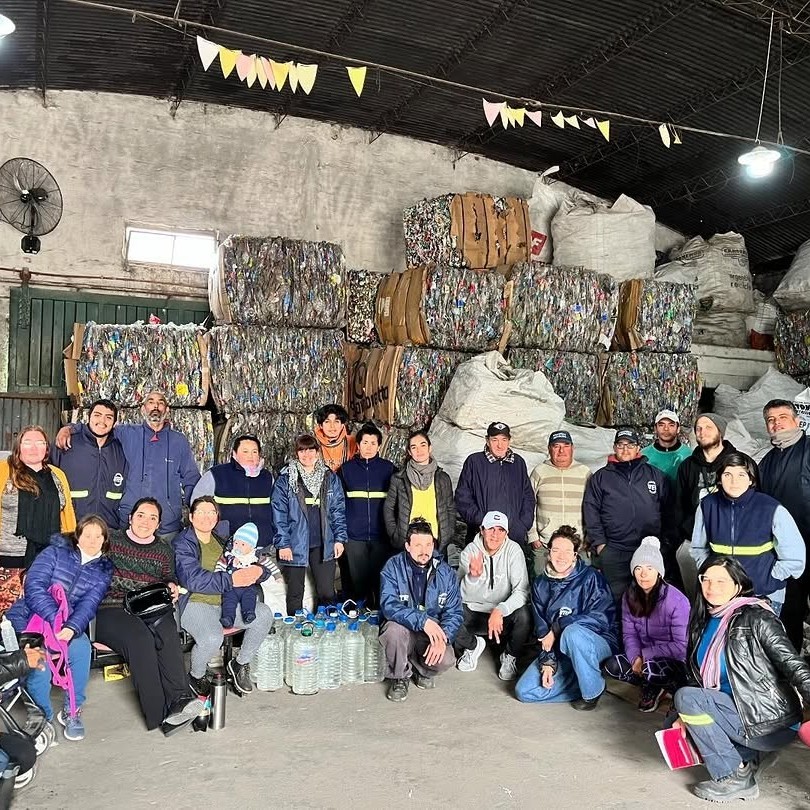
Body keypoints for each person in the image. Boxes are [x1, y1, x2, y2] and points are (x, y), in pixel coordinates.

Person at [671, 556, 810, 802]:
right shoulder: (703, 621)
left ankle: (734, 776)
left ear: (738, 585)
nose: (712, 587)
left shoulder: (756, 617)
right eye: (706, 580)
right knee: (675, 720)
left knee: (687, 700)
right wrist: (684, 715)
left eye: (721, 581)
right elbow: (696, 678)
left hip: (769, 720)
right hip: (736, 712)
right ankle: (750, 755)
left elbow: (794, 665)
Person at [95, 498, 202, 735]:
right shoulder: (111, 540)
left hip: (149, 606)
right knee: (141, 639)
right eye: (141, 515)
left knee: (167, 633)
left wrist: (171, 585)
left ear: (158, 524)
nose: (146, 522)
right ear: (130, 518)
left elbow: (169, 577)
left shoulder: (163, 549)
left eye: (153, 518)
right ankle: (159, 715)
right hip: (112, 607)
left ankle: (180, 700)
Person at [7, 514, 113, 742]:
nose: (92, 541)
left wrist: (72, 627)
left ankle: (72, 710)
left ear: (104, 540)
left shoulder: (103, 569)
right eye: (87, 535)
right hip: (30, 618)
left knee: (82, 650)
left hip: (66, 623)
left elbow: (89, 604)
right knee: (40, 665)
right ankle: (42, 717)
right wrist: (55, 619)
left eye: (98, 536)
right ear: (77, 535)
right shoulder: (55, 552)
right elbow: (34, 586)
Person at [56, 390, 200, 539]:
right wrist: (69, 429)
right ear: (142, 409)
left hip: (167, 525)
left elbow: (191, 477)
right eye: (150, 402)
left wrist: (198, 511)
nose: (155, 406)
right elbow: (100, 427)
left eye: (160, 403)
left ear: (167, 410)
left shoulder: (179, 441)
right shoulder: (127, 433)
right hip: (130, 522)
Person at [173, 496, 273, 696]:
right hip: (195, 602)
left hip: (226, 601)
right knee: (212, 637)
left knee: (264, 615)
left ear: (217, 517)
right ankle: (196, 675)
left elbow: (249, 558)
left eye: (211, 512)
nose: (206, 517)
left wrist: (260, 571)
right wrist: (231, 580)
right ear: (191, 517)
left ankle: (239, 664)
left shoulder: (222, 540)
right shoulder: (183, 543)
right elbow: (192, 580)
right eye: (201, 512)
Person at [515, 525, 618, 709]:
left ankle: (592, 691)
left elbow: (602, 619)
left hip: (597, 643)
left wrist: (559, 626)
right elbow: (542, 630)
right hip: (561, 650)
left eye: (567, 551)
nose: (561, 556)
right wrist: (548, 662)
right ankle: (584, 680)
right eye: (556, 550)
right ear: (548, 553)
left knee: (572, 633)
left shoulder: (591, 578)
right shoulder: (540, 584)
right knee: (524, 691)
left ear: (575, 555)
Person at [690, 452, 805, 614]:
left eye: (741, 475)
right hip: (722, 595)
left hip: (763, 596)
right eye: (727, 474)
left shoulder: (771, 508)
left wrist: (768, 578)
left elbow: (795, 558)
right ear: (719, 478)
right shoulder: (707, 506)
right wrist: (711, 575)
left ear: (751, 479)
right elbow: (698, 548)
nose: (734, 481)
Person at [583, 427, 672, 601]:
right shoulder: (600, 477)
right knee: (615, 598)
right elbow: (591, 510)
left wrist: (665, 542)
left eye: (630, 445)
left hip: (648, 548)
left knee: (649, 598)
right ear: (614, 447)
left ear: (638, 448)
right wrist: (600, 544)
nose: (625, 449)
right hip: (615, 549)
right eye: (621, 445)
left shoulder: (655, 475)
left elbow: (668, 510)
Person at [379, 517, 462, 702]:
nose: (424, 551)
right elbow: (389, 605)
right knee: (393, 632)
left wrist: (444, 637)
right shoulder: (393, 567)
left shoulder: (446, 572)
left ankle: (421, 670)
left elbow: (454, 612)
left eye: (428, 545)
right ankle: (400, 676)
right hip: (404, 628)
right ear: (407, 546)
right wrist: (423, 621)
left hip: (430, 632)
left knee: (446, 658)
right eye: (418, 545)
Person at [603, 537, 689, 712]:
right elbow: (629, 634)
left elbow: (681, 646)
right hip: (642, 657)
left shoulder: (676, 600)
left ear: (659, 571)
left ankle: (674, 689)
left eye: (650, 568)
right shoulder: (629, 596)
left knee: (649, 668)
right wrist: (635, 657)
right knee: (612, 666)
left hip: (673, 660)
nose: (643, 574)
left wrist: (645, 655)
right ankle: (652, 686)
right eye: (638, 568)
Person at [0, 426, 76, 612]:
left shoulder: (58, 475)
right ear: (18, 446)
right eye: (27, 442)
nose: (34, 448)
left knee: (40, 620)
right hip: (8, 561)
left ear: (47, 448)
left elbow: (67, 517)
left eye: (40, 443)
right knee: (6, 620)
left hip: (49, 562)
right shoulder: (3, 471)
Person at [271, 434, 348, 616]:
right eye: (302, 451)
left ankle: (327, 627)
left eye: (310, 450)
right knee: (295, 592)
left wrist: (339, 539)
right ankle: (295, 628)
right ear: (296, 453)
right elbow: (278, 513)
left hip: (323, 543)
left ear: (317, 452)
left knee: (327, 592)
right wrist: (283, 544)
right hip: (295, 543)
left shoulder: (330, 478)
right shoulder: (286, 479)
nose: (307, 455)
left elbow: (338, 510)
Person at [758, 399, 810, 652]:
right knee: (792, 610)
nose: (776, 423)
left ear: (797, 421)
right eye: (771, 420)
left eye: (782, 417)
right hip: (786, 551)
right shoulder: (766, 462)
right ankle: (795, 665)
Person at [455, 511, 531, 682]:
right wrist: (472, 577)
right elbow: (460, 595)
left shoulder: (513, 550)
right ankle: (472, 646)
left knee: (524, 615)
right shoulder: (470, 551)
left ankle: (510, 656)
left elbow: (522, 591)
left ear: (507, 533)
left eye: (500, 530)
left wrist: (500, 609)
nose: (495, 535)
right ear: (482, 530)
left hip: (500, 616)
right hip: (474, 613)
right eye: (491, 529)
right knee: (450, 612)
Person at [674, 413, 737, 600]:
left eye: (709, 427)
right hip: (693, 542)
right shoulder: (688, 466)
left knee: (727, 597)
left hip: (729, 543)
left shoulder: (738, 463)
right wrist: (682, 537)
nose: (702, 432)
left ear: (721, 432)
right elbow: (679, 504)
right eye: (699, 428)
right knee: (696, 596)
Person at [339, 422, 395, 607]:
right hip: (354, 537)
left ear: (379, 446)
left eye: (373, 443)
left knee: (381, 580)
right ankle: (357, 615)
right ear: (358, 445)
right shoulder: (346, 470)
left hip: (382, 536)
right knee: (357, 582)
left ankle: (379, 615)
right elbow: (337, 504)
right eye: (365, 443)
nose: (369, 447)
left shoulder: (389, 469)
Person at [50, 398, 127, 528]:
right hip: (72, 527)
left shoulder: (122, 448)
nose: (102, 421)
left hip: (108, 529)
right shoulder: (66, 443)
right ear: (88, 417)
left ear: (115, 422)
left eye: (108, 417)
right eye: (97, 415)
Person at [455, 422, 534, 547]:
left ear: (509, 441)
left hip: (513, 536)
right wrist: (481, 522)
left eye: (504, 440)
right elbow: (462, 497)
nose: (499, 445)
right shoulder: (474, 462)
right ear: (487, 441)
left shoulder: (518, 463)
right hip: (482, 534)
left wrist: (522, 524)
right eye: (494, 440)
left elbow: (528, 496)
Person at [190, 434, 274, 549]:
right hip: (225, 544)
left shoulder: (267, 477)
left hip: (263, 544)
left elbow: (278, 508)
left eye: (254, 452)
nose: (250, 455)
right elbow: (197, 506)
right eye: (245, 451)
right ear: (234, 453)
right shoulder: (217, 474)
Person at [384, 430, 457, 559]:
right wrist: (395, 534)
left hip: (436, 541)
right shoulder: (399, 479)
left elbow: (450, 508)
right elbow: (388, 508)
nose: (419, 450)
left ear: (430, 448)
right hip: (409, 541)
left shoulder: (442, 478)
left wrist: (448, 533)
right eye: (414, 447)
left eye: (423, 445)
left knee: (436, 572)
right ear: (409, 452)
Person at [527, 430, 591, 576]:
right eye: (556, 446)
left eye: (566, 446)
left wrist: (589, 538)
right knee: (543, 585)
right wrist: (533, 537)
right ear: (549, 449)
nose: (561, 451)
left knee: (580, 586)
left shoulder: (585, 473)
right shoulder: (539, 472)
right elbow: (528, 505)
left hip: (578, 546)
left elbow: (593, 507)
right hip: (546, 545)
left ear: (572, 448)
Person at [215, 522, 280, 628]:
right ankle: (228, 618)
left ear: (251, 547)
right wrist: (219, 576)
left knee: (250, 598)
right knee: (228, 601)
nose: (238, 547)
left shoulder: (255, 556)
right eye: (236, 543)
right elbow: (220, 566)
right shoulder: (228, 556)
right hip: (231, 587)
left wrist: (277, 575)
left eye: (243, 545)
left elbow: (269, 564)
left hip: (248, 586)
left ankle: (248, 613)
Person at [641, 409, 691, 481]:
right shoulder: (644, 455)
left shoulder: (689, 455)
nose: (666, 429)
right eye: (661, 425)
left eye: (671, 425)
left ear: (678, 429)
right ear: (655, 429)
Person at [313, 404, 356, 473]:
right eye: (327, 422)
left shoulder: (353, 442)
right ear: (320, 425)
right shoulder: (312, 443)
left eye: (336, 421)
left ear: (342, 425)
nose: (332, 426)